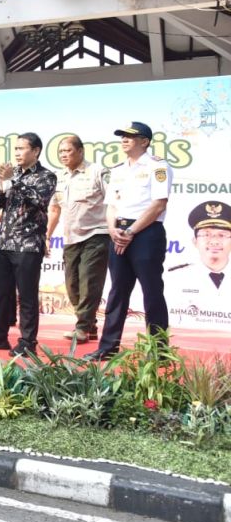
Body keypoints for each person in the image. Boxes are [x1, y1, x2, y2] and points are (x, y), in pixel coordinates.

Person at [89, 122, 172, 360]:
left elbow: (158, 204)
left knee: (152, 290)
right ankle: (107, 347)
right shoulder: (117, 169)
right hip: (120, 231)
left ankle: (158, 350)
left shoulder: (158, 166)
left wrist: (132, 231)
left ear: (144, 141)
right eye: (122, 136)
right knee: (117, 291)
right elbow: (112, 205)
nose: (124, 140)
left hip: (146, 233)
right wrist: (113, 228)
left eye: (130, 137)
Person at [0, 133, 57, 357]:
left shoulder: (46, 176)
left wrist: (13, 182)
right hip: (4, 242)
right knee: (1, 294)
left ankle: (27, 342)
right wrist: (2, 184)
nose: (17, 153)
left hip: (28, 244)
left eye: (21, 148)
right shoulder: (12, 174)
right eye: (15, 149)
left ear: (35, 151)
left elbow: (39, 200)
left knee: (26, 296)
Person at [46, 135, 110, 343]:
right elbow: (54, 209)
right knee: (72, 285)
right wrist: (46, 236)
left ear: (81, 151)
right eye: (61, 152)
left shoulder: (98, 172)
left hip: (97, 234)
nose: (64, 155)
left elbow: (114, 203)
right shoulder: (59, 177)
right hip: (71, 238)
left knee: (89, 282)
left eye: (68, 151)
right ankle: (90, 325)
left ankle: (82, 328)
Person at [172, 201, 231, 305]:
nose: (214, 241)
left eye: (222, 235)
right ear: (195, 241)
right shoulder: (176, 277)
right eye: (206, 235)